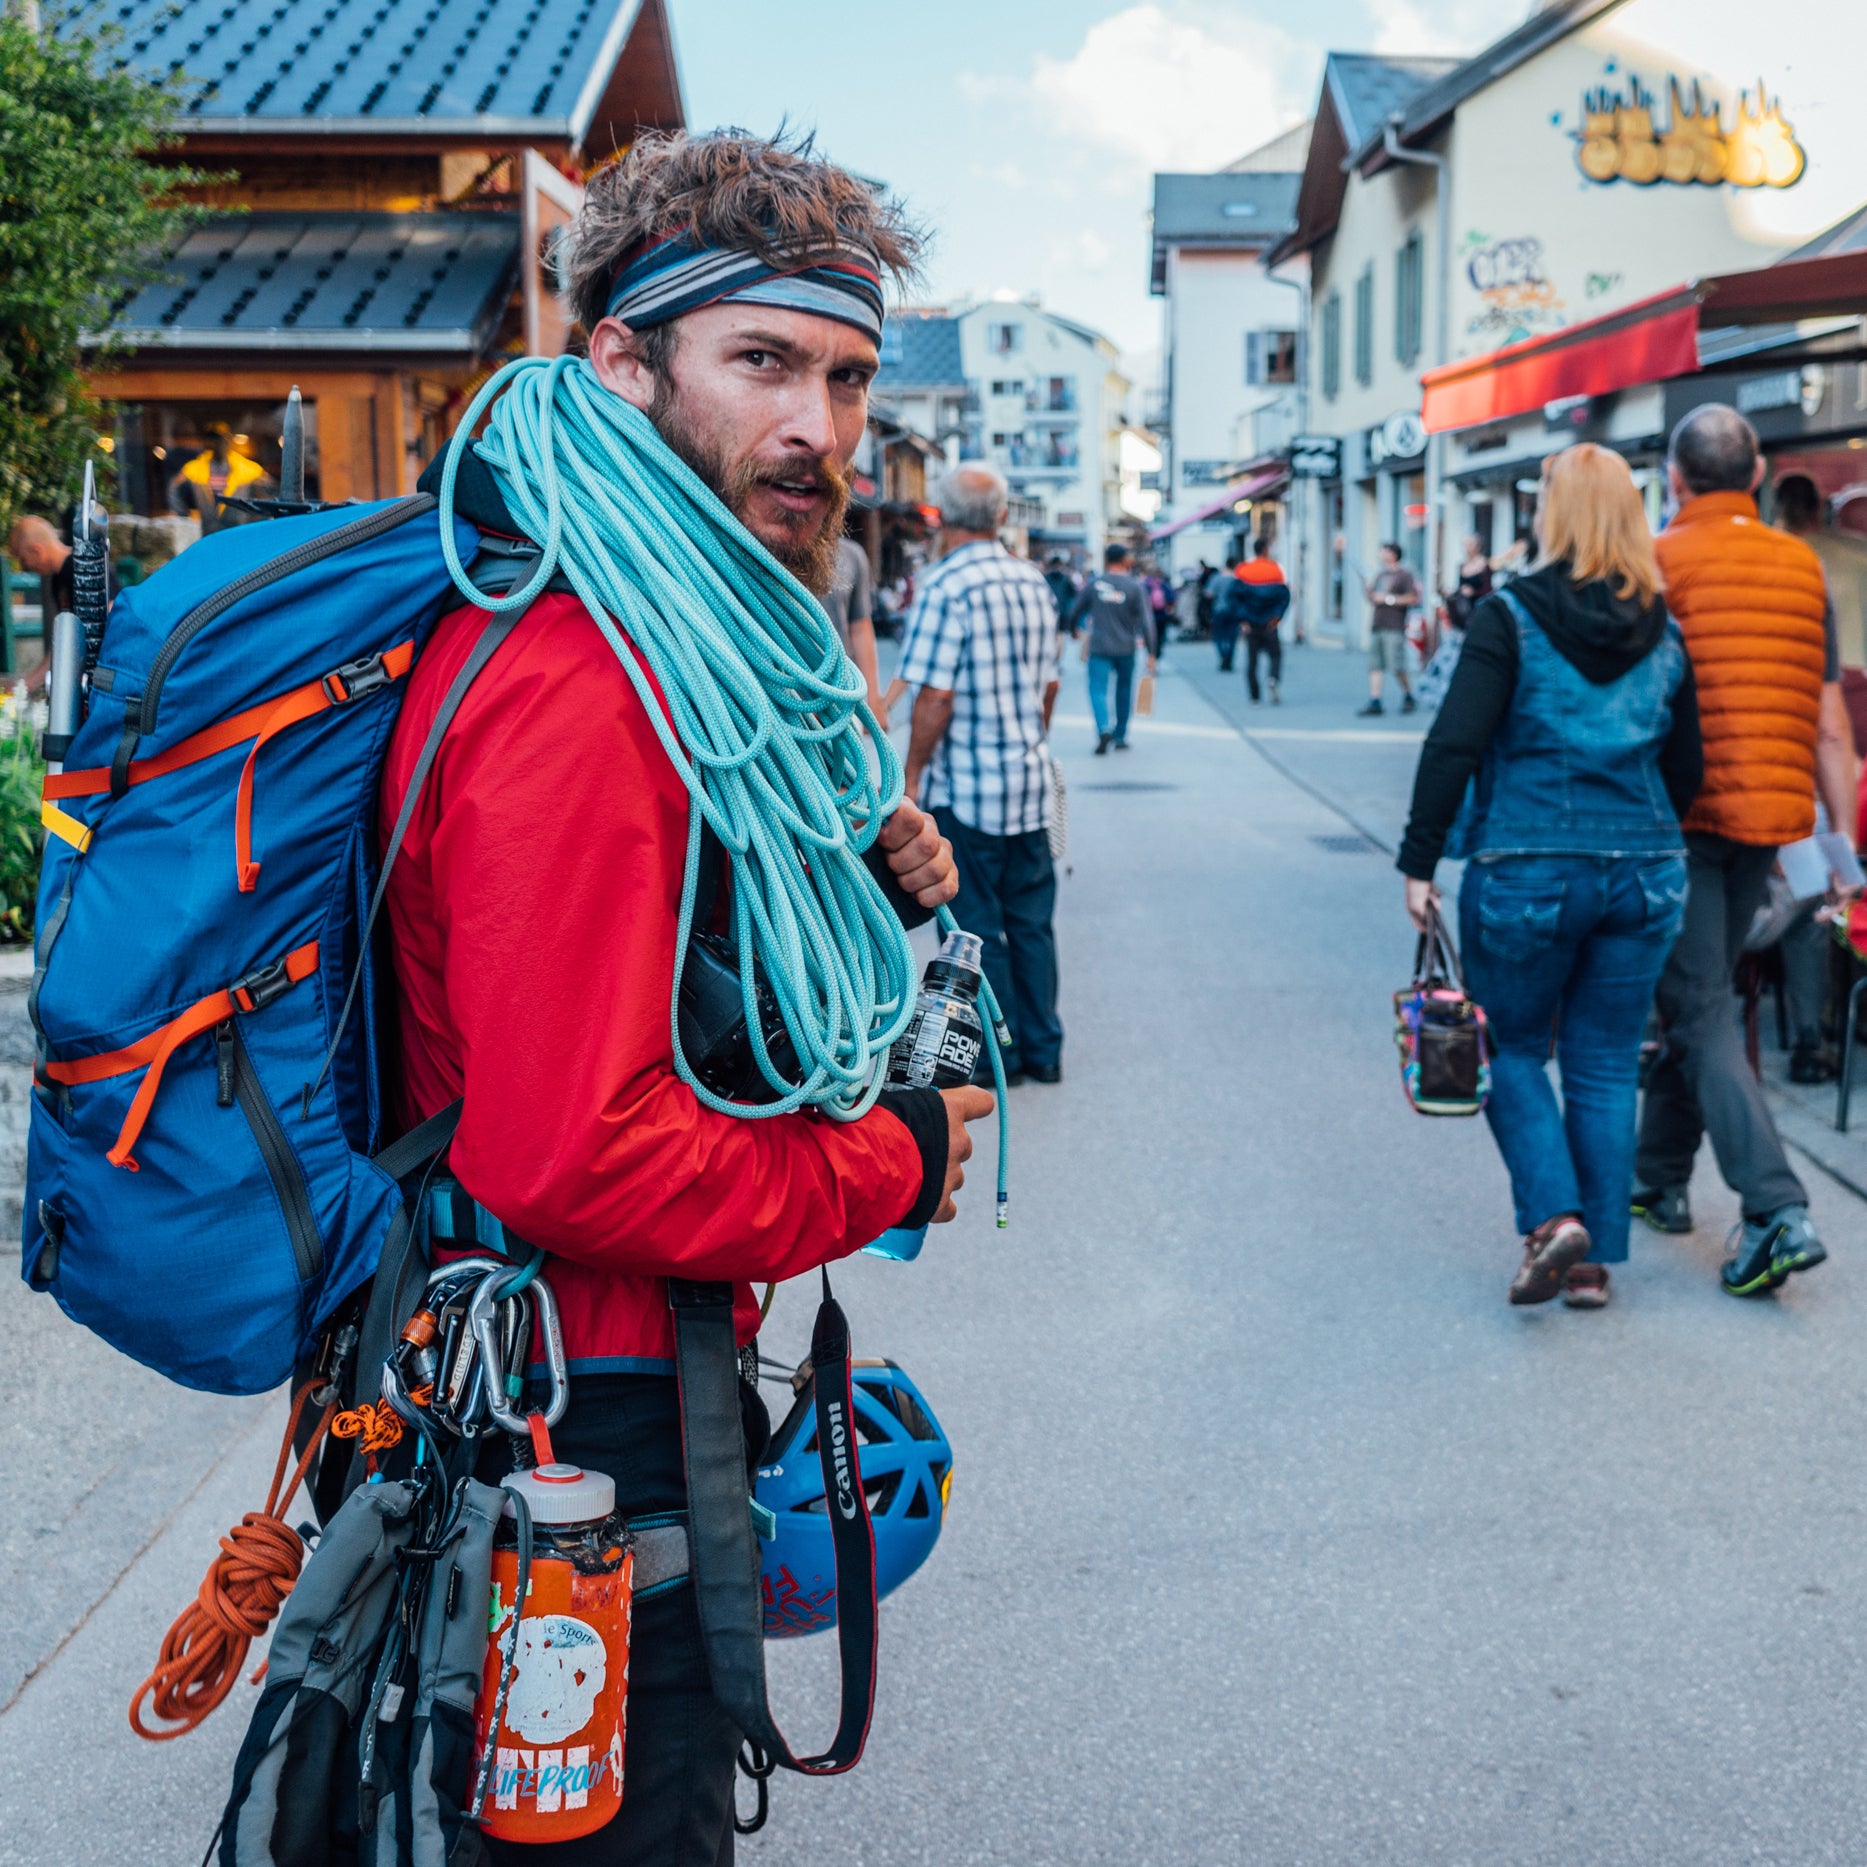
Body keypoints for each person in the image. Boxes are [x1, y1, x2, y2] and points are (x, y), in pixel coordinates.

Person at [382, 130, 993, 1863]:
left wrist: (846, 872)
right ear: (621, 361)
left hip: (559, 1397)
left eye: (847, 377)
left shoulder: (637, 642)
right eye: (764, 363)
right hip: (580, 1425)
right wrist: (890, 1156)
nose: (818, 428)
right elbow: (578, 1152)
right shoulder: (584, 681)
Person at [1399, 443, 1702, 1310]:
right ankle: (1593, 1263)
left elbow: (1454, 740)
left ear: (1551, 516)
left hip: (1527, 865)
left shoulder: (1508, 617)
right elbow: (1686, 767)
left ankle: (1554, 1215)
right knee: (1606, 1062)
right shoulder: (1664, 627)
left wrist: (1419, 861)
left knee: (1507, 1046)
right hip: (1646, 868)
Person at [1632, 404, 1857, 1297]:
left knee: (1698, 1008)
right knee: (1702, 1001)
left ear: (1673, 479)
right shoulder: (1800, 565)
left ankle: (1773, 1208)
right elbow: (1830, 719)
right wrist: (1839, 846)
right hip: (1770, 815)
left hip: (1678, 816)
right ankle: (1657, 1181)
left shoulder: (1654, 560)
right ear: (1756, 473)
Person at [899, 463, 1064, 1085]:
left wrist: (911, 775)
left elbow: (934, 696)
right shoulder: (1034, 582)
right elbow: (1050, 681)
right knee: (1032, 922)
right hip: (1028, 783)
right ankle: (1045, 1049)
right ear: (999, 517)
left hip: (969, 789)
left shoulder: (945, 586)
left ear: (941, 516)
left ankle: (1006, 1057)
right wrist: (1033, 735)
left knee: (977, 927)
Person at [1069, 542, 1155, 752]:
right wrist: (1152, 651)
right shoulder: (1135, 586)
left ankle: (1103, 727)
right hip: (1127, 647)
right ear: (1125, 560)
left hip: (1099, 646)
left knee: (1097, 688)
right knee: (1124, 690)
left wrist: (1072, 629)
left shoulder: (1095, 584)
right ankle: (1120, 735)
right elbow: (1147, 620)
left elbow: (1075, 610)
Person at [823, 533, 888, 726]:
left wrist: (874, 700)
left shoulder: (851, 555)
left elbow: (860, 628)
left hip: (842, 689)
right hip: (787, 692)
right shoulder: (771, 544)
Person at [167, 424, 270, 531]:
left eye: (221, 439)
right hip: (208, 529)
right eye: (213, 439)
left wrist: (256, 521)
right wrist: (184, 516)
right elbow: (174, 489)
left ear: (229, 440)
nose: (217, 443)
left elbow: (268, 494)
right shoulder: (195, 468)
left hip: (238, 530)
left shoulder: (248, 469)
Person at [1360, 542, 1419, 715]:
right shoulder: (1380, 574)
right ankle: (1375, 700)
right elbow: (1372, 598)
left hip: (1394, 625)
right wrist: (1367, 585)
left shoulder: (1404, 575)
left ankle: (1408, 695)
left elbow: (1413, 598)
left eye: (1384, 551)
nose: (1381, 554)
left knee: (1396, 665)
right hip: (1378, 623)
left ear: (1393, 554)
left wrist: (1389, 599)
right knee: (1375, 665)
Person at [1233, 534, 1291, 704]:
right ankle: (1273, 678)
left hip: (1250, 624)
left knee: (1252, 662)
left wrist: (1242, 620)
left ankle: (1255, 697)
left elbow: (1235, 598)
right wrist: (1277, 617)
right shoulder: (1276, 570)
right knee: (1275, 655)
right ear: (1266, 550)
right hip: (1270, 624)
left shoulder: (1243, 570)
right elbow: (1284, 596)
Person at [1208, 552, 1245, 671]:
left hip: (1219, 609)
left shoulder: (1217, 578)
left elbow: (1209, 593)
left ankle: (1223, 656)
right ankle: (1229, 659)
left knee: (1218, 635)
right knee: (1232, 636)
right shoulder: (1237, 579)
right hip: (1234, 611)